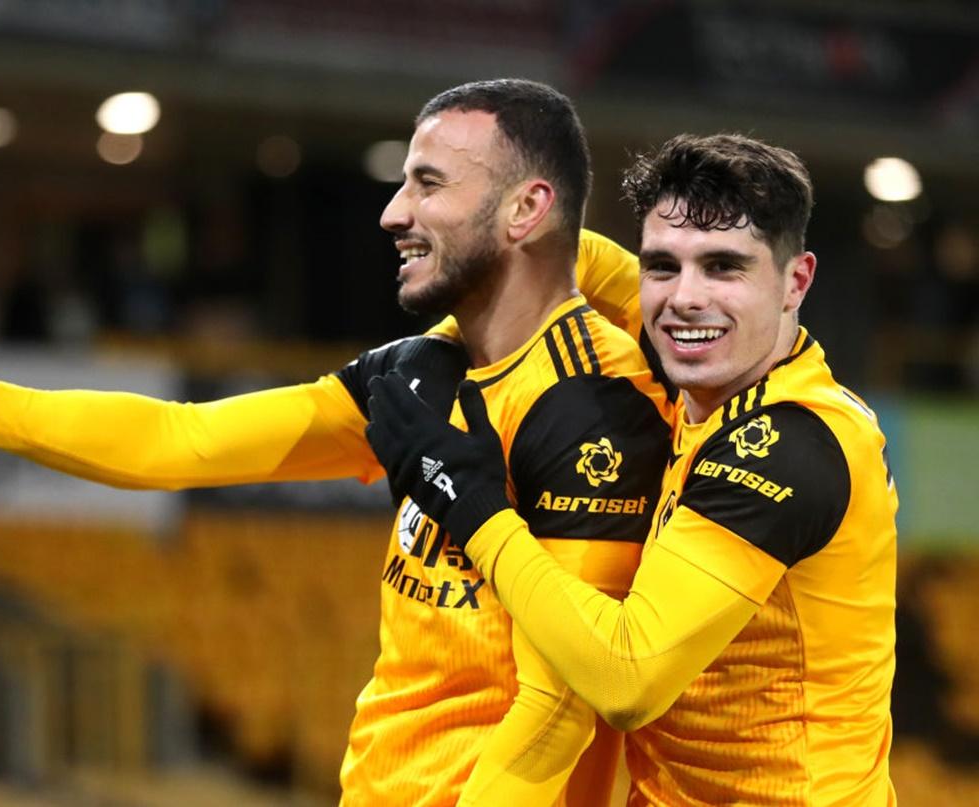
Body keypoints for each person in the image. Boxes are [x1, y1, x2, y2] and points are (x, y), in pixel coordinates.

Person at [0, 79, 671, 806]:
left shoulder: (598, 404)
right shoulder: (418, 371)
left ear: (526, 209)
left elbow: (560, 705)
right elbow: (180, 440)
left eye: (428, 184)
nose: (392, 212)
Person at [366, 133, 898, 804]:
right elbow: (567, 251)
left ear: (795, 281)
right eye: (663, 266)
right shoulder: (713, 363)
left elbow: (626, 678)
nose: (685, 299)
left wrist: (469, 502)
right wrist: (438, 325)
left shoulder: (792, 447)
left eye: (724, 267)